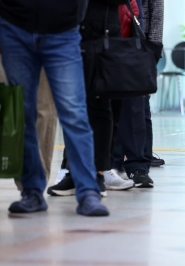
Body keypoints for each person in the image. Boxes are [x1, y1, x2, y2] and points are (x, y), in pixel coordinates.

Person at [0, 0, 109, 216]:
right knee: (23, 114)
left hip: (62, 30)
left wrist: (73, 13)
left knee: (74, 113)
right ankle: (32, 191)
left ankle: (88, 191)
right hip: (14, 26)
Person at [47, 0, 135, 196]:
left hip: (102, 35)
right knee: (73, 107)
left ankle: (97, 174)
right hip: (71, 30)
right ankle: (73, 173)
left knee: (100, 104)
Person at [111, 0, 164, 187]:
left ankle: (138, 167)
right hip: (106, 39)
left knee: (136, 108)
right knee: (109, 106)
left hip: (137, 43)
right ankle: (112, 164)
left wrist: (154, 47)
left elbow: (156, 11)